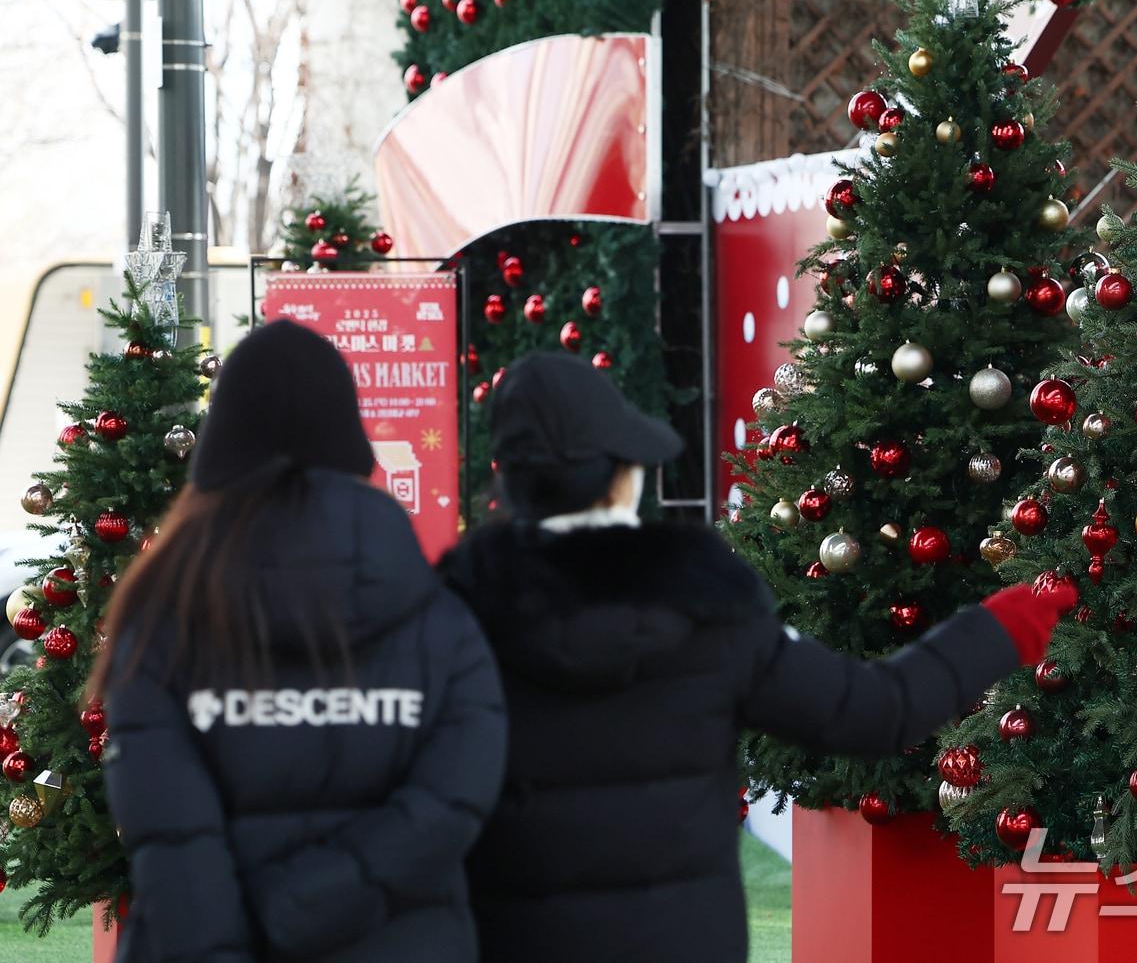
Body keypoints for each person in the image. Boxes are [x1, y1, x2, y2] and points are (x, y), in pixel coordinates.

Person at [439, 352, 1076, 963]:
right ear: (621, 476)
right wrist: (1002, 625)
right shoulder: (702, 604)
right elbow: (876, 711)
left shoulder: (451, 613)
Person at [95, 320, 506, 963]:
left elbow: (170, 839)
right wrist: (302, 906)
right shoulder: (440, 620)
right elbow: (449, 807)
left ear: (222, 443)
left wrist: (254, 926)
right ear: (349, 439)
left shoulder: (161, 614)